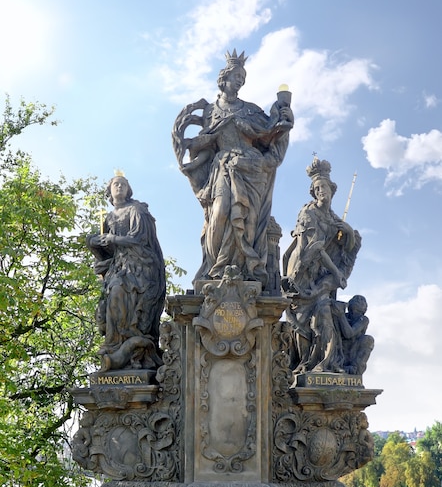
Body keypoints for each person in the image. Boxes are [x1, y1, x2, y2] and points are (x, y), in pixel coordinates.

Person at [172, 49, 293, 290]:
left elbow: (271, 133)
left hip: (250, 169)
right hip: (223, 168)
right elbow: (204, 144)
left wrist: (284, 116)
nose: (240, 80)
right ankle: (214, 269)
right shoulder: (211, 111)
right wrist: (191, 153)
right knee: (220, 212)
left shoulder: (250, 109)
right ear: (223, 79)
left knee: (248, 220)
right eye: (237, 75)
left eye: (243, 77)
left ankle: (245, 270)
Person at [281, 157, 361, 374]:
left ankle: (324, 364)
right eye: (316, 189)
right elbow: (315, 247)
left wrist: (349, 232)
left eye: (323, 187)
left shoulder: (333, 217)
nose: (320, 192)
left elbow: (347, 246)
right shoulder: (308, 213)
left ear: (332, 190)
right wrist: (337, 274)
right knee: (301, 319)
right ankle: (304, 363)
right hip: (303, 272)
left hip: (320, 275)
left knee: (323, 313)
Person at [87, 175, 166, 371]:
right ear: (110, 190)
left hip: (140, 265)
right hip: (120, 266)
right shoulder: (108, 217)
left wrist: (112, 238)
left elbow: (139, 238)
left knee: (120, 293)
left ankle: (132, 346)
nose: (120, 186)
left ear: (128, 190)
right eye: (116, 184)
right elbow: (108, 251)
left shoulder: (136, 209)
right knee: (113, 295)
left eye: (123, 184)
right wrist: (95, 243)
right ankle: (114, 346)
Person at [336, 295, 374, 374]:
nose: (358, 300)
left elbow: (349, 334)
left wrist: (340, 315)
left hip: (353, 350)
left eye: (362, 300)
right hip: (340, 349)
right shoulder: (344, 316)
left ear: (365, 308)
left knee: (368, 339)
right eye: (355, 299)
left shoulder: (363, 319)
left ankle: (354, 368)